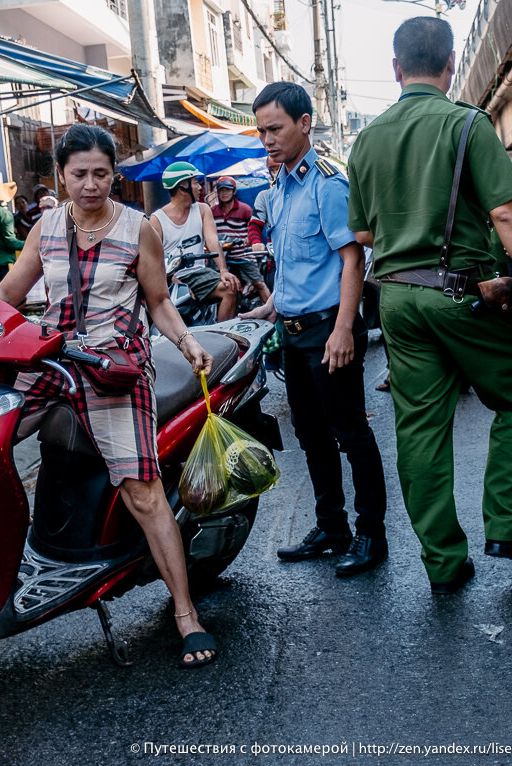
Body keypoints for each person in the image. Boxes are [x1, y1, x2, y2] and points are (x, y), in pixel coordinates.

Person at [345, 16, 512, 595]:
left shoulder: (366, 140)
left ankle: (445, 563)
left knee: (419, 429)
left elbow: (364, 234)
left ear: (396, 69)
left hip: (394, 297)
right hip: (458, 293)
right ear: (450, 66)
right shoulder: (466, 123)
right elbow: (506, 213)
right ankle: (506, 525)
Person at [0, 123, 220, 669]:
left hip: (115, 369)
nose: (90, 185)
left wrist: (185, 343)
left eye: (101, 173)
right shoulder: (45, 227)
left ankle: (185, 613)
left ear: (114, 174)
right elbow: (11, 292)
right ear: (61, 176)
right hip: (51, 359)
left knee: (143, 491)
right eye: (79, 174)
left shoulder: (139, 228)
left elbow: (158, 301)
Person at [240, 82, 389, 577]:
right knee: (310, 435)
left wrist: (345, 329)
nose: (267, 139)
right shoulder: (279, 186)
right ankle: (333, 526)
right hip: (293, 330)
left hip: (329, 330)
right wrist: (271, 309)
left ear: (304, 124)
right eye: (262, 130)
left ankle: (371, 535)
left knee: (350, 433)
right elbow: (292, 267)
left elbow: (353, 259)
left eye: (276, 128)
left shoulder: (326, 183)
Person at [148, 161, 241, 322]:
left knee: (230, 288)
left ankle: (222, 338)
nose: (199, 187)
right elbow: (152, 259)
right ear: (183, 186)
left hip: (198, 274)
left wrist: (223, 270)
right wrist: (169, 279)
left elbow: (212, 241)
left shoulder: (203, 209)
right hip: (170, 278)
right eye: (195, 182)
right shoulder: (157, 219)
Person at [211, 176, 271, 305]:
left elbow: (255, 227)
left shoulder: (244, 209)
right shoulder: (213, 211)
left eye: (227, 190)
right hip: (222, 257)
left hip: (242, 254)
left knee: (259, 283)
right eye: (221, 190)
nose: (224, 193)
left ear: (234, 191)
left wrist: (248, 239)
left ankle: (271, 310)